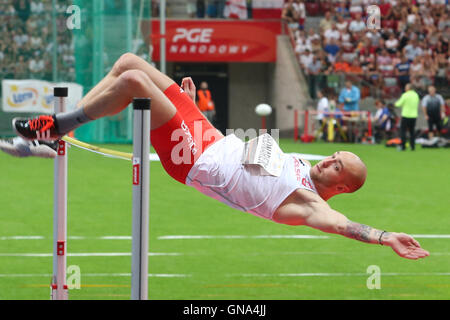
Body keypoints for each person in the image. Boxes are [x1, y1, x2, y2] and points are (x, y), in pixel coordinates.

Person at [11, 53, 429, 260]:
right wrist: (193, 113)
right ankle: (60, 128)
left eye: (336, 165)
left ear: (341, 186)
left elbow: (342, 224)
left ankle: (57, 127)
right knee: (129, 62)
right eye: (333, 155)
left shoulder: (310, 204)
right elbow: (248, 156)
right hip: (207, 134)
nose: (326, 160)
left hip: (194, 161)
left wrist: (383, 235)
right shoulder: (303, 164)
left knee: (136, 81)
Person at [394, 83, 420, 151]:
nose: (405, 88)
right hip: (414, 116)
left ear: (409, 88)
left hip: (406, 115)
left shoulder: (405, 95)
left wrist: (395, 104)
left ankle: (403, 146)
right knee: (412, 131)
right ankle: (412, 146)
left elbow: (399, 104)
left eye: (406, 87)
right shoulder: (416, 95)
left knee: (403, 131)